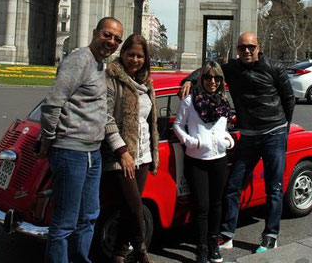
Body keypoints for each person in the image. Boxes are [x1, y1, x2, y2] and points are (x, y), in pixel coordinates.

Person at [180, 32, 295, 254]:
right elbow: (207, 71)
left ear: (259, 47)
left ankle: (271, 235)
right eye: (242, 47)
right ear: (237, 49)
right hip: (248, 135)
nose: (247, 51)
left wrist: (284, 129)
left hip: (274, 132)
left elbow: (289, 98)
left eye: (251, 47)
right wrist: (189, 79)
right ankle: (227, 234)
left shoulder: (274, 67)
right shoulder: (231, 68)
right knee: (232, 186)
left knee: (274, 187)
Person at [38, 17, 124, 263]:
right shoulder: (80, 59)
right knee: (65, 222)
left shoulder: (99, 65)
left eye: (117, 39)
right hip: (71, 150)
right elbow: (53, 103)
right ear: (95, 32)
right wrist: (49, 140)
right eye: (107, 35)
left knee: (89, 216)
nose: (112, 42)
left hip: (92, 151)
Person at [102, 34, 159, 263]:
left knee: (128, 207)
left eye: (140, 56)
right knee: (135, 207)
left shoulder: (147, 83)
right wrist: (122, 151)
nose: (135, 59)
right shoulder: (111, 77)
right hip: (120, 155)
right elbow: (105, 116)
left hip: (143, 155)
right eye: (131, 54)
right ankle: (141, 250)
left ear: (145, 59)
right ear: (123, 53)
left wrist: (190, 81)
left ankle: (118, 252)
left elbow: (150, 120)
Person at [173, 61, 234, 263]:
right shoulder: (189, 101)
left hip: (219, 159)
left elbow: (223, 128)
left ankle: (213, 244)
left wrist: (228, 139)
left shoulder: (223, 101)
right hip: (197, 159)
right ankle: (201, 248)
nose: (212, 82)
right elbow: (178, 126)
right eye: (208, 77)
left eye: (217, 78)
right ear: (201, 79)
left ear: (221, 81)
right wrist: (190, 141)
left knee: (217, 204)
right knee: (202, 206)